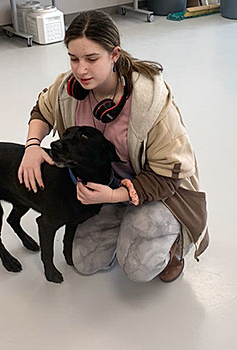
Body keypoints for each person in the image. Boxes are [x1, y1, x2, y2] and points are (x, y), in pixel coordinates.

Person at [18, 10, 209, 283]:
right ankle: (123, 224)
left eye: (92, 59)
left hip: (156, 192)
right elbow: (42, 110)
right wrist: (32, 146)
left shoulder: (150, 102)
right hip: (102, 188)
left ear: (114, 55)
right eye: (74, 58)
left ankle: (176, 243)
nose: (81, 69)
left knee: (138, 270)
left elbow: (168, 177)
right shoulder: (67, 89)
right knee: (83, 262)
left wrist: (113, 197)